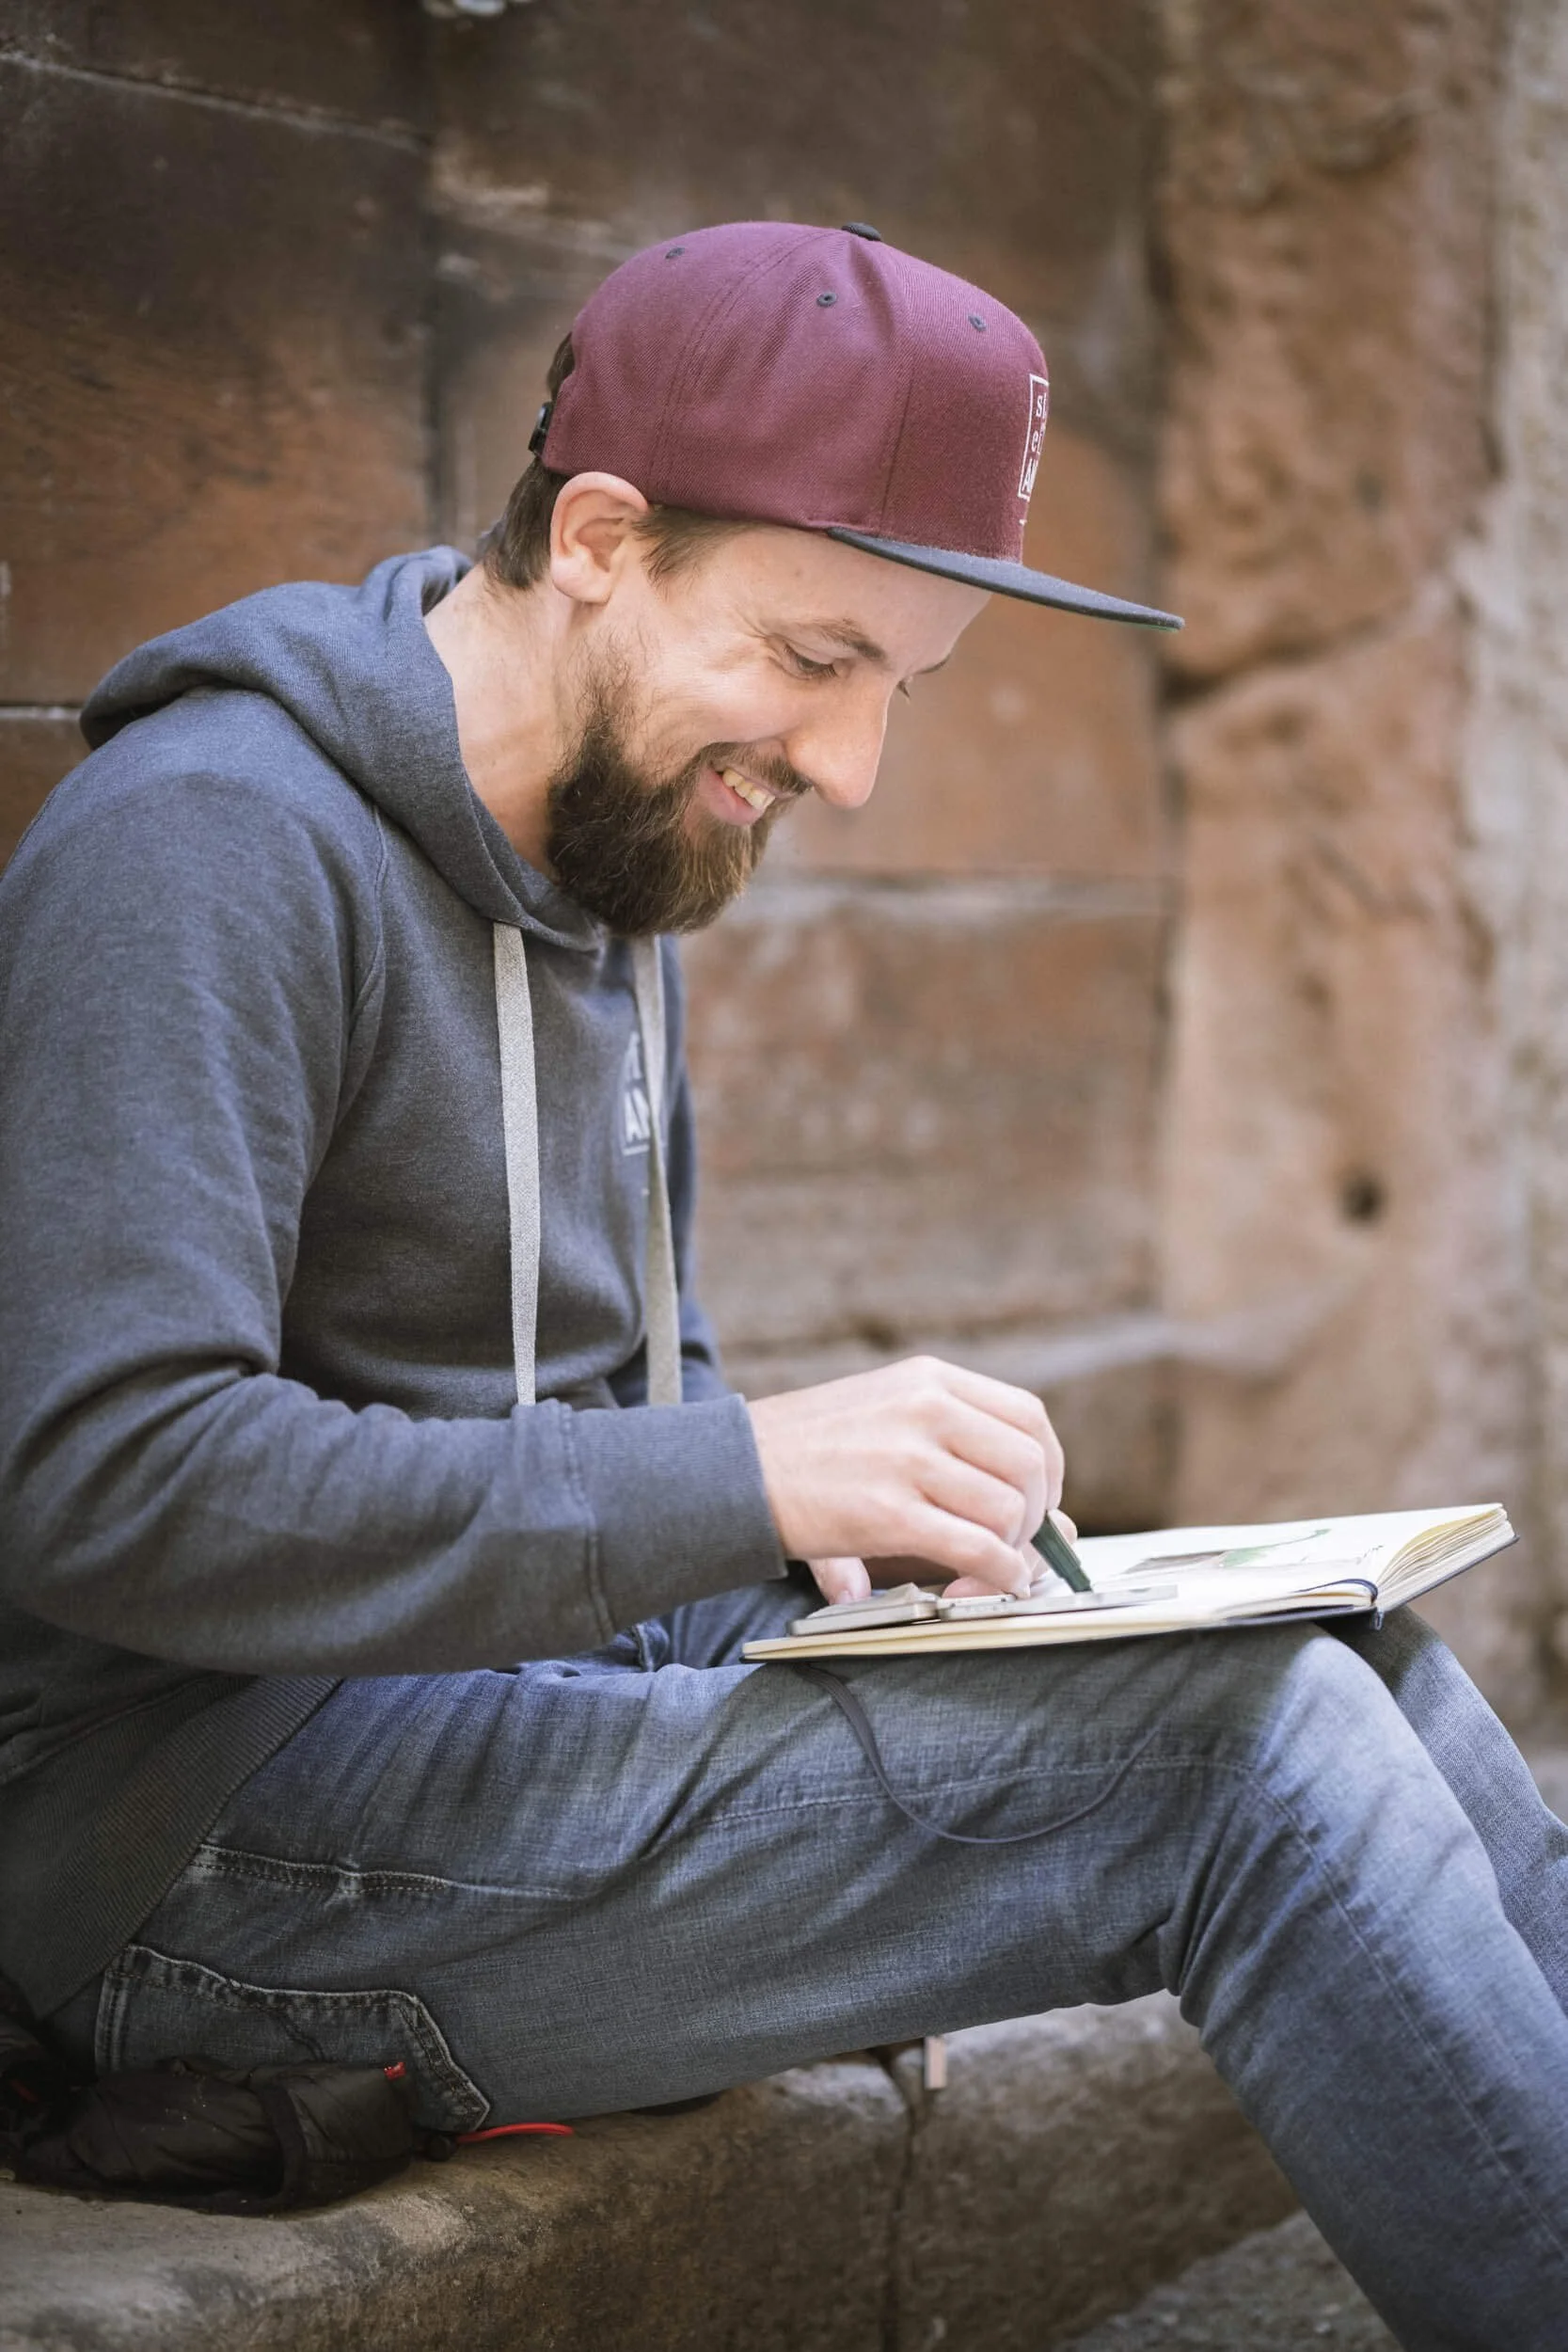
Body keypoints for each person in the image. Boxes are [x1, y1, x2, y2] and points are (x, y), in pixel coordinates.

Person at [0, 221, 1563, 2346]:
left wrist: (869, 1569)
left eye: (899, 689)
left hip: (513, 1720)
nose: (849, 767)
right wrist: (746, 1480)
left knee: (1348, 1654)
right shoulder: (205, 848)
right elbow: (111, 1481)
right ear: (603, 537)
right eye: (816, 659)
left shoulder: (613, 848)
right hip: (184, 1861)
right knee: (1238, 1753)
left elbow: (627, 1407)